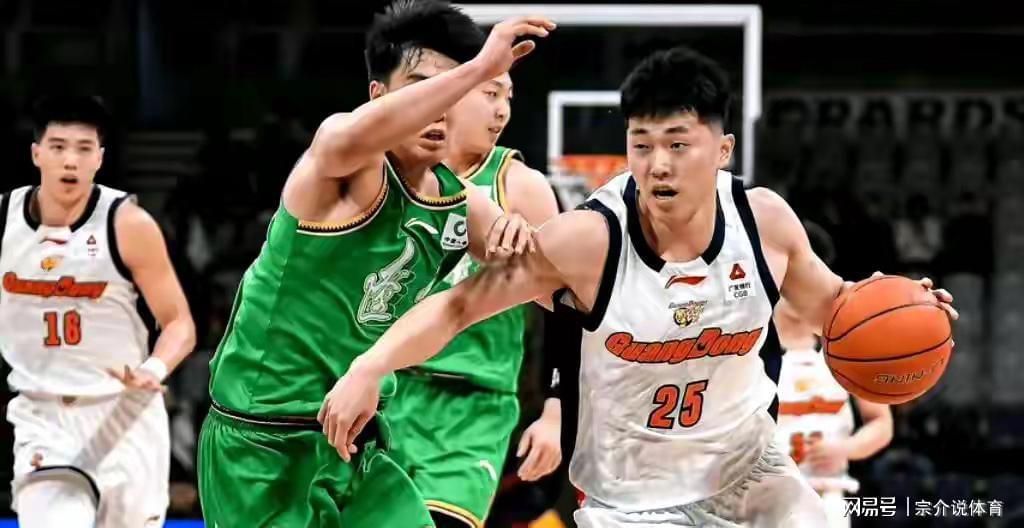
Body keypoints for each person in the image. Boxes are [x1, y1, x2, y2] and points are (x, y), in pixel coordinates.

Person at [319, 46, 957, 527]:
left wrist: (905, 305)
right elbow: (458, 306)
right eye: (642, 144)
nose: (658, 165)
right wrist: (370, 366)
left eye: (678, 144)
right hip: (632, 499)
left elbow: (837, 309)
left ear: (723, 149)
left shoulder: (764, 223)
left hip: (750, 474)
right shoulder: (589, 240)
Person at [196, 2, 556, 526]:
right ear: (378, 95)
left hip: (359, 442)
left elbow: (555, 287)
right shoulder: (340, 158)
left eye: (453, 91)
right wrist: (479, 67)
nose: (439, 108)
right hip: (262, 442)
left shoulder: (464, 204)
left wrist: (526, 244)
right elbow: (350, 137)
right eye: (424, 87)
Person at [0, 95, 196, 527]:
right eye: (58, 147)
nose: (70, 160)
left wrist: (154, 369)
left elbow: (179, 323)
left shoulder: (128, 224)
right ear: (36, 154)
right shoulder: (4, 221)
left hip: (125, 413)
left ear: (99, 158)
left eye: (83, 148)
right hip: (44, 416)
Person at [387, 71, 563, 528]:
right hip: (387, 393)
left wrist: (557, 409)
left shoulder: (521, 187)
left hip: (474, 406)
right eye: (490, 94)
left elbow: (569, 313)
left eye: (508, 96)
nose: (502, 109)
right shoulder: (392, 175)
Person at [774, 297, 893, 528]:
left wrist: (846, 447)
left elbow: (881, 423)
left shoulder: (848, 349)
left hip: (826, 494)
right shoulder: (746, 348)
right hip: (763, 496)